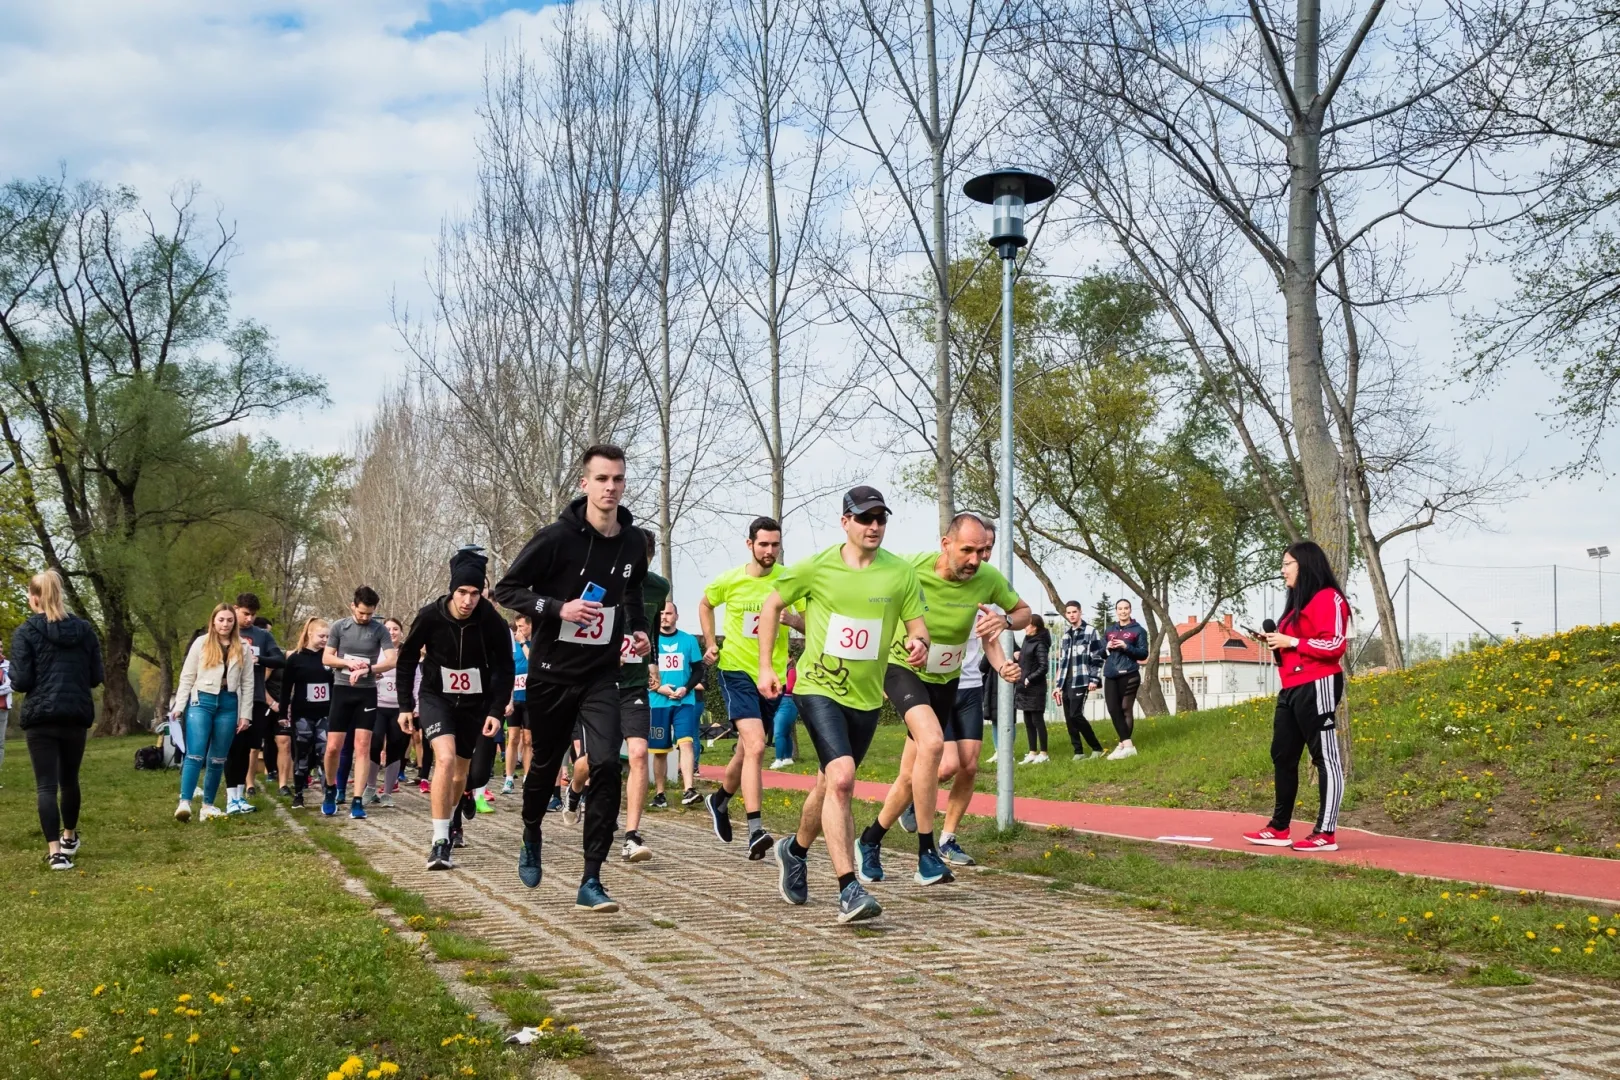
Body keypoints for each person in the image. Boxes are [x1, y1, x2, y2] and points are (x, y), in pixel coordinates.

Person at [493, 444, 650, 912]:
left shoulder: (633, 541)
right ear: (584, 483)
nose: (611, 487)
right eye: (602, 479)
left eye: (618, 479)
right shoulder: (556, 537)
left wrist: (640, 630)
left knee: (604, 764)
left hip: (601, 676)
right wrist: (559, 608)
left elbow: (634, 589)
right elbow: (507, 589)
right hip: (549, 674)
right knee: (543, 765)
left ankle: (591, 879)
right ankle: (531, 830)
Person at [763, 486, 927, 924]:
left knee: (825, 784)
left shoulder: (900, 573)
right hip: (818, 687)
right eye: (864, 518)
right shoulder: (817, 567)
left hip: (866, 696)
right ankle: (848, 889)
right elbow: (773, 601)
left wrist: (918, 644)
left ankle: (794, 850)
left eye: (880, 519)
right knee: (842, 779)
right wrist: (767, 666)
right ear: (845, 522)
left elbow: (918, 627)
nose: (874, 526)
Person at [857, 512, 1025, 888]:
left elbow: (1023, 612)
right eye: (967, 550)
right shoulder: (910, 568)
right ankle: (926, 853)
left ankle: (869, 840)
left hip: (947, 679)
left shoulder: (986, 579)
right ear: (945, 544)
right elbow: (870, 601)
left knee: (909, 774)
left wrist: (1005, 623)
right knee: (934, 744)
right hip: (904, 669)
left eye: (982, 552)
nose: (975, 560)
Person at [397, 546, 516, 870]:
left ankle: (454, 816)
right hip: (437, 697)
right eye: (462, 592)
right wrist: (405, 705)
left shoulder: (492, 621)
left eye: (475, 593)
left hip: (474, 704)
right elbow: (407, 659)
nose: (468, 600)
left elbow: (505, 668)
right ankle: (439, 842)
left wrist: (494, 710)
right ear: (452, 590)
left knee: (462, 773)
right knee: (445, 760)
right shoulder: (430, 616)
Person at [699, 516, 804, 860]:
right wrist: (712, 642)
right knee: (757, 745)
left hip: (771, 677)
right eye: (763, 544)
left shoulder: (789, 581)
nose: (770, 551)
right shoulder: (731, 580)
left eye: (775, 544)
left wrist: (793, 620)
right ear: (750, 545)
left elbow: (812, 619)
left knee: (746, 751)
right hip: (736, 672)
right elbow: (705, 603)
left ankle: (720, 800)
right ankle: (756, 829)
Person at [1245, 541, 1351, 853]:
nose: (1282, 571)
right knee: (1282, 755)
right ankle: (1279, 827)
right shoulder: (1295, 605)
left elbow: (1335, 646)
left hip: (1318, 683)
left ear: (1304, 564)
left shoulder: (1328, 598)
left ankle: (1325, 832)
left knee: (1325, 758)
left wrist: (1291, 640)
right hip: (1290, 686)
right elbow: (1295, 642)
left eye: (1287, 564)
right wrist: (1276, 641)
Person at [11, 569, 103, 869]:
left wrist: (13, 673)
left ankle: (55, 853)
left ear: (34, 598)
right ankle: (69, 835)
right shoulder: (85, 630)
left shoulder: (26, 632)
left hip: (41, 716)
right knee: (70, 780)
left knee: (46, 786)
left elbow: (22, 681)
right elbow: (95, 677)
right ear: (60, 594)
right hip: (74, 713)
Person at [170, 603, 254, 824]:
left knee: (218, 757)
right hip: (202, 700)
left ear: (234, 623)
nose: (225, 624)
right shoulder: (202, 643)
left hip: (229, 703)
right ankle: (185, 801)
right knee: (195, 753)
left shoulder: (243, 647)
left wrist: (245, 714)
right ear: (213, 621)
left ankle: (208, 805)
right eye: (221, 620)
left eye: (229, 620)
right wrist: (179, 705)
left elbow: (248, 683)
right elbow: (187, 676)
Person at [615, 530, 670, 863]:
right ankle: (574, 791)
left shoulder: (658, 587)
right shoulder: (605, 583)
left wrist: (652, 662)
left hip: (635, 685)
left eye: (643, 562)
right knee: (594, 763)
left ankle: (631, 836)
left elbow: (649, 630)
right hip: (600, 685)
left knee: (638, 754)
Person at [321, 586, 397, 819]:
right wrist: (347, 664)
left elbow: (392, 659)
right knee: (334, 746)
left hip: (367, 692)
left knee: (363, 746)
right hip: (343, 690)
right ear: (353, 606)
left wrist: (369, 669)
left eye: (370, 613)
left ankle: (357, 799)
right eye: (362, 613)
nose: (365, 617)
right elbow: (326, 657)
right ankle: (331, 788)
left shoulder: (379, 630)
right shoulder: (339, 627)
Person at [222, 593, 284, 814]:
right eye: (245, 614)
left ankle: (240, 797)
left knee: (249, 747)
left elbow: (279, 659)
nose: (249, 619)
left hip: (256, 698)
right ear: (235, 609)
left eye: (253, 615)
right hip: (230, 697)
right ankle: (230, 797)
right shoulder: (226, 632)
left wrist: (259, 659)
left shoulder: (262, 636)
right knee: (233, 748)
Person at [649, 600, 705, 809]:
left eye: (669, 613)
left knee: (686, 743)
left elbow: (699, 670)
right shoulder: (651, 641)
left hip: (684, 701)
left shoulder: (688, 640)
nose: (665, 617)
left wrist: (686, 689)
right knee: (660, 750)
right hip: (658, 702)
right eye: (661, 613)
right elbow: (642, 671)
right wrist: (658, 687)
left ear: (676, 616)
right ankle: (660, 793)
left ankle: (689, 789)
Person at [283, 617, 334, 809]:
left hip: (325, 714)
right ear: (309, 634)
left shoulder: (328, 659)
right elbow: (287, 689)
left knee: (325, 753)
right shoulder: (295, 659)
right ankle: (298, 794)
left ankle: (327, 793)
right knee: (302, 754)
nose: (324, 640)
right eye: (321, 636)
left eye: (328, 637)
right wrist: (282, 714)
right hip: (302, 714)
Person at [1053, 601, 1106, 759]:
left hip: (1082, 679)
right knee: (1069, 718)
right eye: (1068, 613)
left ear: (1080, 612)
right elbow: (1062, 662)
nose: (1071, 615)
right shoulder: (1066, 636)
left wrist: (1094, 679)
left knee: (1076, 714)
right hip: (1066, 681)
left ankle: (1097, 748)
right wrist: (1058, 685)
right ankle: (1078, 751)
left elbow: (1097, 657)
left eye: (1074, 612)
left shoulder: (1091, 631)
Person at [368, 617, 410, 807]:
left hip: (399, 709)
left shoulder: (408, 653)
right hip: (378, 706)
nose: (392, 632)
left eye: (395, 629)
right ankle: (369, 788)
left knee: (395, 748)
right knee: (374, 744)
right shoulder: (375, 652)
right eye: (388, 629)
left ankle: (387, 792)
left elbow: (416, 680)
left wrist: (413, 707)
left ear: (401, 633)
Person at [1101, 598, 1149, 759]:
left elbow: (1143, 654)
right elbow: (1099, 652)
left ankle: (1126, 746)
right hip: (1110, 674)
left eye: (1126, 608)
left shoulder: (1138, 630)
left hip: (1129, 674)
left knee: (1125, 709)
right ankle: (1124, 744)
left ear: (1130, 610)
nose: (1123, 611)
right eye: (1120, 608)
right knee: (1113, 709)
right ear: (1116, 611)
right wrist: (1107, 647)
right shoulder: (1109, 630)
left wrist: (1126, 646)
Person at [502, 613, 534, 795]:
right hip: (516, 696)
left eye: (522, 626)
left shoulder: (533, 644)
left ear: (530, 626)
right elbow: (510, 673)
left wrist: (523, 642)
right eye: (517, 627)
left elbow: (533, 661)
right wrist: (509, 699)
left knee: (529, 740)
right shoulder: (512, 646)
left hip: (531, 698)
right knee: (513, 737)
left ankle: (527, 778)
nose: (519, 630)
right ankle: (508, 778)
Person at [1015, 614, 1052, 764]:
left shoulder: (1040, 643)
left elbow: (1044, 666)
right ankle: (1032, 752)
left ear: (1035, 627)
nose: (1024, 626)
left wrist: (1030, 678)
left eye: (1027, 624)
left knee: (1037, 720)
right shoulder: (1026, 640)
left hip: (1035, 688)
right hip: (1024, 687)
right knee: (1028, 720)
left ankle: (1044, 753)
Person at [768, 664, 798, 769]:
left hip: (787, 702)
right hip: (780, 702)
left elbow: (789, 688)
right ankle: (788, 758)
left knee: (779, 733)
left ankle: (778, 759)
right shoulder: (779, 670)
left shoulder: (791, 671)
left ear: (790, 657)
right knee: (785, 733)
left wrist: (777, 686)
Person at [0, 642, 12, 789]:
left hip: (2, 709)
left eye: (1, 646)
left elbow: (12, 685)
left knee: (0, 744)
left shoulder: (8, 665)